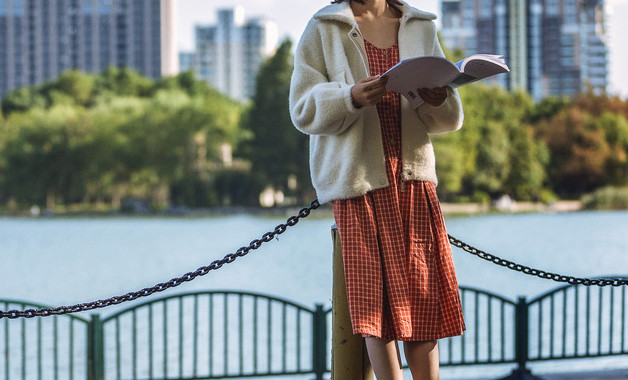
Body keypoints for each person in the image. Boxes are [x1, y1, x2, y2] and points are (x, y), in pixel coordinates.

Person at [289, 0, 466, 379]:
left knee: (423, 298)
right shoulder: (324, 26)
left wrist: (439, 99)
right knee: (376, 306)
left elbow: (448, 118)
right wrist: (349, 97)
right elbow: (302, 109)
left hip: (414, 180)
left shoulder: (420, 25)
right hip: (358, 184)